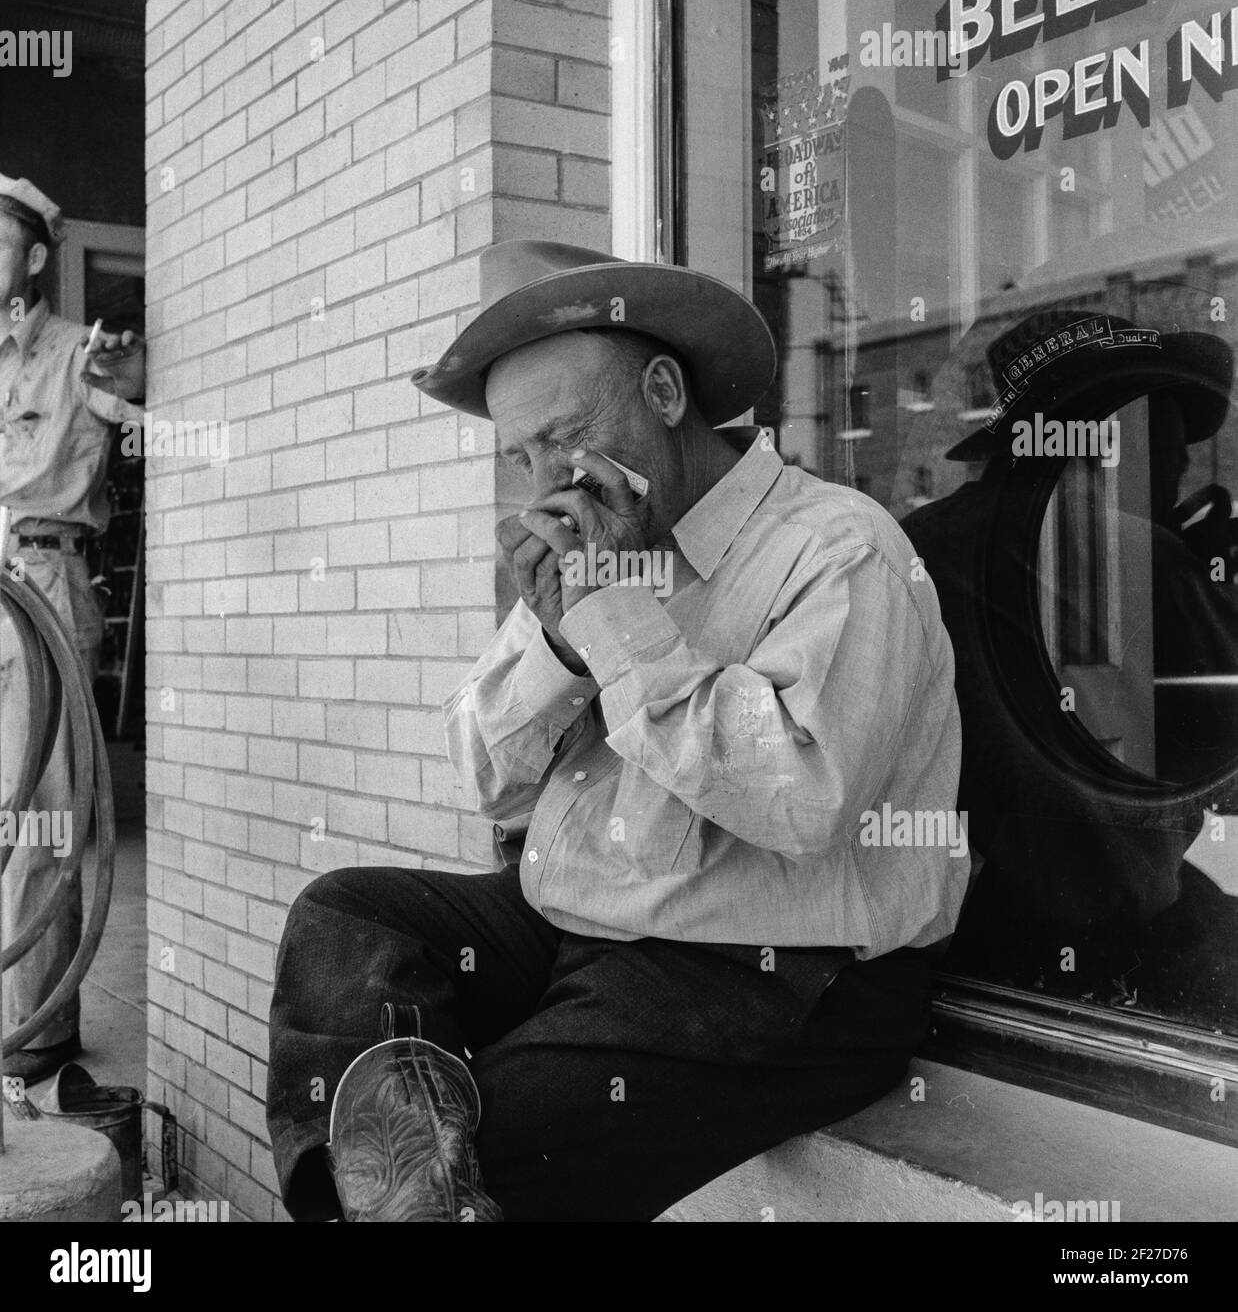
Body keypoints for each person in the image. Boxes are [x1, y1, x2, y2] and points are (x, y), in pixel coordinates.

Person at [267, 240, 967, 1222]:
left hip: (775, 970)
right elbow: (490, 782)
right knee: (345, 920)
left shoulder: (836, 547)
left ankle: (421, 1198)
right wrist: (556, 642)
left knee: (486, 1150)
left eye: (567, 435)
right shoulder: (588, 543)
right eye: (522, 456)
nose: (548, 479)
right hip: (586, 919)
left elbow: (798, 795)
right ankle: (397, 1195)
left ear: (663, 392)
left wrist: (610, 613)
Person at [0, 175, 144, 1082]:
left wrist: (129, 380)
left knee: (41, 820)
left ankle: (35, 1034)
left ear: (37, 258)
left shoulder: (76, 355)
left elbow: (135, 407)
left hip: (43, 588)